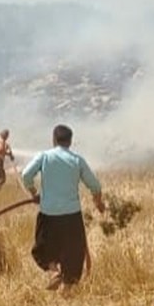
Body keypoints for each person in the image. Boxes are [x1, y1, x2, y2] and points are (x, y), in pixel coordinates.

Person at [20, 124, 105, 292]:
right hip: (71, 215)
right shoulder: (77, 160)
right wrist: (98, 202)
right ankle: (67, 288)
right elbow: (95, 185)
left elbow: (26, 175)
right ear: (70, 141)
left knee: (44, 246)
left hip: (48, 213)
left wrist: (33, 192)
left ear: (53, 139)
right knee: (73, 251)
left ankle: (53, 272)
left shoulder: (44, 157)